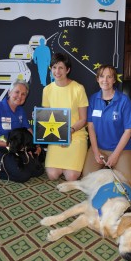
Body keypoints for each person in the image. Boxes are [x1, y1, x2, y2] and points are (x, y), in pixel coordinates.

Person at [82, 65, 131, 189]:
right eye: (102, 76)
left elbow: (129, 130)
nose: (105, 80)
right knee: (86, 179)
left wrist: (115, 155)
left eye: (109, 77)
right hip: (100, 148)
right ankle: (109, 169)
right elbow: (90, 127)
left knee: (130, 184)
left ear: (114, 80)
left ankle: (111, 167)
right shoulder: (93, 99)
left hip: (121, 149)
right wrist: (96, 152)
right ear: (97, 79)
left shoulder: (124, 100)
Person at [0, 79, 43, 182]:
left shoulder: (20, 111)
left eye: (23, 94)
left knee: (38, 170)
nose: (20, 96)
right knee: (23, 176)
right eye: (17, 92)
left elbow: (28, 130)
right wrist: (7, 144)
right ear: (10, 92)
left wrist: (37, 145)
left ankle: (7, 167)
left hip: (12, 149)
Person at [42, 52, 89, 181]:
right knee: (52, 175)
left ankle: (70, 166)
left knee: (71, 176)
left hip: (75, 135)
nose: (57, 71)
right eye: (54, 67)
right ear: (51, 69)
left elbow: (83, 119)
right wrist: (39, 117)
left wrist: (70, 131)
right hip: (56, 136)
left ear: (67, 70)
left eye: (61, 67)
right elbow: (47, 117)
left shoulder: (78, 89)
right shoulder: (47, 90)